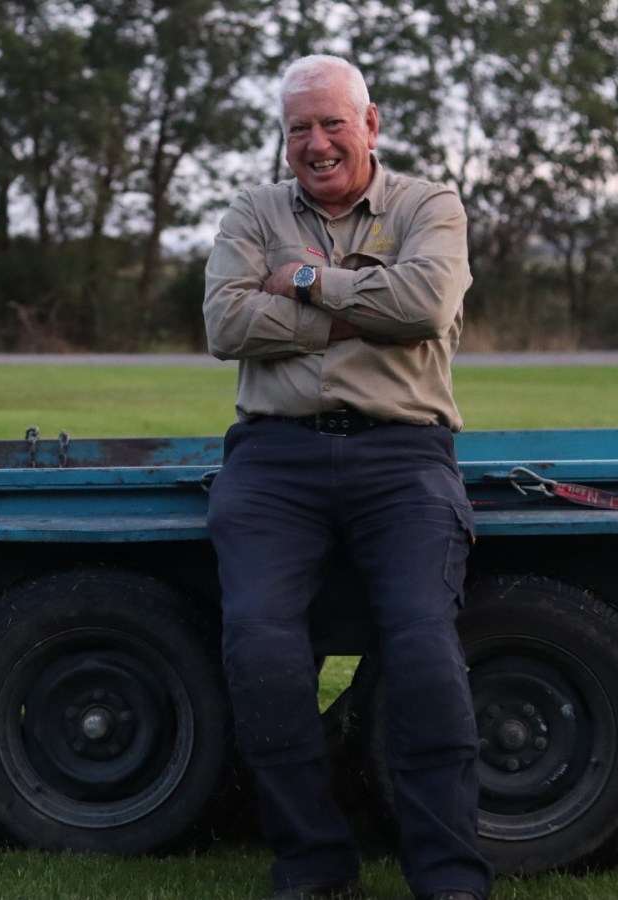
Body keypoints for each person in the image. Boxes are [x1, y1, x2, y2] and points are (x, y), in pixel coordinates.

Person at [203, 56, 493, 900]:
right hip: (272, 460)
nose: (317, 143)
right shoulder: (252, 209)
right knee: (260, 644)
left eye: (333, 123)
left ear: (371, 123)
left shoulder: (428, 204)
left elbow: (426, 307)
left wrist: (298, 281)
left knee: (423, 647)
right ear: (283, 137)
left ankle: (447, 875)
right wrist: (365, 301)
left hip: (403, 457)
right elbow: (225, 322)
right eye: (299, 128)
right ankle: (315, 864)